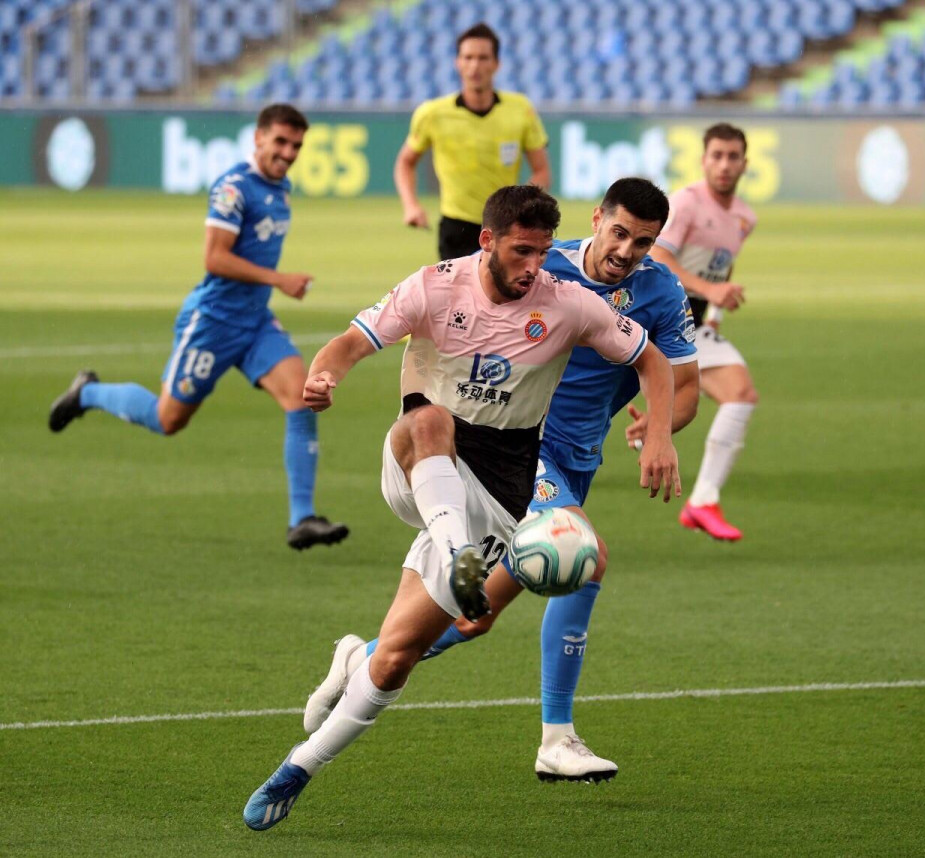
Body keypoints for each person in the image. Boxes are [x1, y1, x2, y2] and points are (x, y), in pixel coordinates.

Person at [243, 185, 681, 830]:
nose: (534, 266)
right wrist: (323, 375)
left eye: (541, 253)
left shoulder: (568, 304)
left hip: (497, 498)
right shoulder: (433, 286)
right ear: (487, 241)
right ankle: (464, 568)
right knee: (430, 419)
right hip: (422, 464)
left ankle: (300, 764)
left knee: (396, 657)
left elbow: (654, 364)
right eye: (521, 251)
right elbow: (348, 344)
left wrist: (662, 434)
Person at [47, 104, 348, 551]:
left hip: (255, 321)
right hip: (213, 322)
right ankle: (87, 394)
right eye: (281, 142)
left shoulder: (280, 188)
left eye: (296, 146)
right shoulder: (232, 188)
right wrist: (278, 279)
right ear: (259, 138)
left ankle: (301, 518)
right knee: (167, 419)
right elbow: (215, 258)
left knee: (301, 397)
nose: (288, 153)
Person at [650, 123, 759, 542]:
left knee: (738, 394)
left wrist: (715, 314)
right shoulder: (686, 204)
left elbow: (722, 267)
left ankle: (702, 500)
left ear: (745, 164)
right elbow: (659, 257)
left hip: (692, 322)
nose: (724, 165)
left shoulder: (745, 218)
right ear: (703, 160)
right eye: (717, 156)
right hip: (658, 317)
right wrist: (711, 290)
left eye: (733, 157)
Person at [394, 22, 551, 260]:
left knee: (510, 285)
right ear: (457, 62)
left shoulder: (520, 110)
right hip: (456, 227)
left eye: (483, 58)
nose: (475, 66)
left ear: (496, 63)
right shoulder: (433, 113)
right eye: (468, 57)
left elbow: (542, 170)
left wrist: (522, 206)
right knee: (459, 286)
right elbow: (405, 162)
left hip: (505, 225)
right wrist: (411, 205)